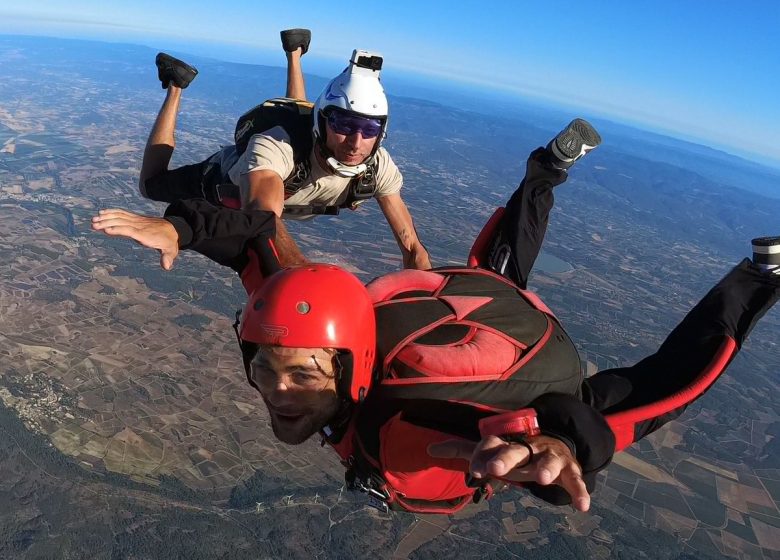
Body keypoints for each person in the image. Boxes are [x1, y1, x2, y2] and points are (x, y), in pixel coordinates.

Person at [93, 122, 780, 514]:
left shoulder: (414, 410)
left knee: (665, 391)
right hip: (468, 307)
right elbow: (254, 238)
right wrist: (181, 229)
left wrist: (562, 447)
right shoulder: (310, 320)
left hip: (541, 389)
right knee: (495, 270)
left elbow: (535, 435)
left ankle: (759, 278)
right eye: (266, 368)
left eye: (300, 374)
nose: (277, 390)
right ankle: (545, 169)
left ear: (348, 366)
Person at [139, 29, 431, 271]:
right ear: (325, 120)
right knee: (150, 186)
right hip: (219, 180)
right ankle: (176, 85)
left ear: (381, 133)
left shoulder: (377, 166)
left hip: (301, 145)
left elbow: (412, 246)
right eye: (343, 124)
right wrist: (302, 273)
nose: (356, 143)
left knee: (301, 118)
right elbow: (264, 220)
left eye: (369, 130)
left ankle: (294, 52)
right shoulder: (274, 147)